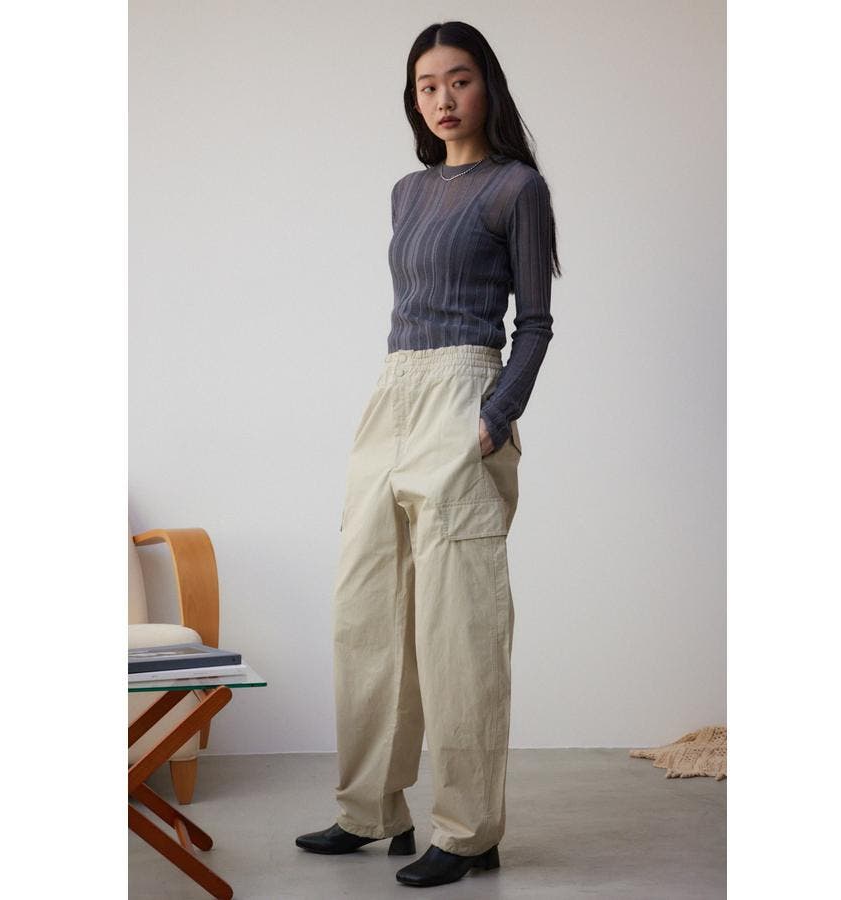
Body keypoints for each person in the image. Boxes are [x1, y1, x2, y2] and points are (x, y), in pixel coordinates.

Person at [296, 20, 561, 888]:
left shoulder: (516, 187)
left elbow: (535, 324)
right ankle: (369, 810)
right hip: (392, 395)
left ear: (488, 85)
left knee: (459, 628)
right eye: (427, 85)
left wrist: (494, 416)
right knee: (365, 611)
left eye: (459, 80)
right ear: (413, 99)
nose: (443, 99)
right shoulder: (407, 192)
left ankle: (470, 829)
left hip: (463, 395)